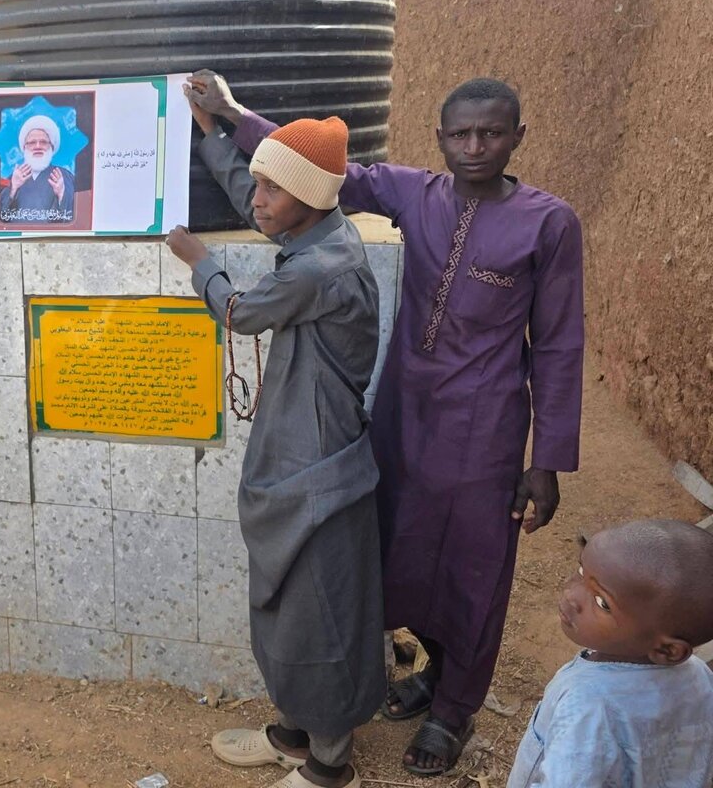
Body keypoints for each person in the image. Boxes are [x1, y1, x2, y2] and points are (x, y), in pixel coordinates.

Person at [187, 70, 585, 776]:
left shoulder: (548, 224)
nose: (474, 146)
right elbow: (322, 168)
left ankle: (454, 710)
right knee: (389, 551)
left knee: (473, 566)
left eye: (491, 133)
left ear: (518, 137)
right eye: (460, 133)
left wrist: (546, 460)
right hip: (402, 410)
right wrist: (229, 112)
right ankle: (423, 673)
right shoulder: (417, 193)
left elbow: (557, 342)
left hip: (486, 424)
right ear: (439, 138)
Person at [165, 95, 384, 788]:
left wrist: (197, 258)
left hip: (318, 461)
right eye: (258, 184)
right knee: (289, 602)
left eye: (270, 189)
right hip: (298, 449)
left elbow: (240, 311)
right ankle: (296, 732)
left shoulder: (320, 268)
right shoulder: (312, 231)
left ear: (310, 199)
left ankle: (328, 765)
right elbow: (257, 190)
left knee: (319, 605)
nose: (255, 201)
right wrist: (211, 136)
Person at [508, 520, 713, 788]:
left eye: (602, 603)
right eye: (581, 571)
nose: (571, 594)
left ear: (667, 650)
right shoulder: (698, 676)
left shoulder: (587, 707)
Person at [0, 115, 75, 224]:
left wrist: (61, 194)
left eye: (43, 142)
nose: (37, 146)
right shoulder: (12, 179)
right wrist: (13, 188)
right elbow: (0, 218)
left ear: (52, 148)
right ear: (24, 148)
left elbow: (72, 218)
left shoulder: (65, 177)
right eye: (32, 142)